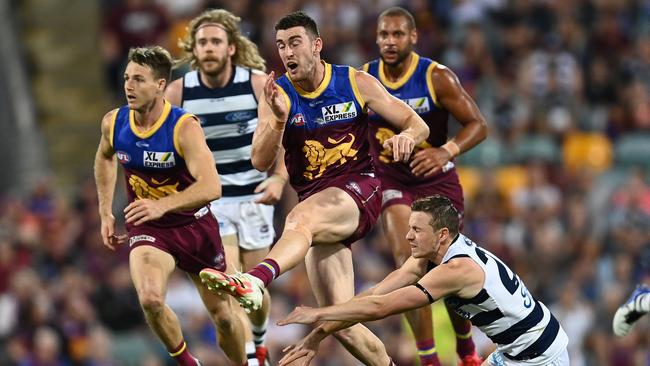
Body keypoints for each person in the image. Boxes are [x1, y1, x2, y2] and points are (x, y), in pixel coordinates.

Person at [199, 11, 430, 366]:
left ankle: (255, 279)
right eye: (280, 46)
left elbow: (417, 123)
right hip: (319, 206)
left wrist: (407, 136)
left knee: (298, 219)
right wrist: (277, 119)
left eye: (295, 43)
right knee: (339, 320)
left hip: (360, 190)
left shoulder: (354, 82)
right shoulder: (279, 95)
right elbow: (260, 161)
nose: (287, 52)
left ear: (316, 45)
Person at [278, 195, 570, 366]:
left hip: (539, 356)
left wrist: (318, 313)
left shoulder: (456, 270)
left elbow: (381, 309)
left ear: (442, 234)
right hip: (516, 350)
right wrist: (317, 334)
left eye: (417, 230)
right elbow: (375, 294)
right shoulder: (430, 257)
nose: (408, 237)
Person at [94, 46, 248, 366]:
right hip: (149, 228)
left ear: (161, 85)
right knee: (150, 298)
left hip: (194, 226)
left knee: (224, 317)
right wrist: (105, 211)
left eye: (139, 79)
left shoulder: (183, 127)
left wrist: (163, 205)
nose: (129, 86)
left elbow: (211, 186)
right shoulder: (115, 122)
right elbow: (105, 158)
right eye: (126, 78)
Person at [361, 7, 488, 366]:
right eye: (384, 34)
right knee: (409, 257)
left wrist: (444, 151)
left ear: (413, 37)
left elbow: (478, 124)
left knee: (448, 263)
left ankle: (466, 348)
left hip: (436, 178)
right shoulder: (365, 78)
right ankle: (428, 358)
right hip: (392, 179)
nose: (389, 41)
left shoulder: (437, 77)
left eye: (397, 34)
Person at [165, 9, 284, 365]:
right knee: (231, 282)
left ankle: (260, 338)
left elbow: (287, 134)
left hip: (255, 196)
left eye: (216, 41)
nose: (209, 48)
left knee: (255, 291)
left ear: (231, 48)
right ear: (193, 49)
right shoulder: (178, 91)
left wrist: (279, 177)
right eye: (202, 42)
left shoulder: (257, 83)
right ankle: (251, 358)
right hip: (212, 201)